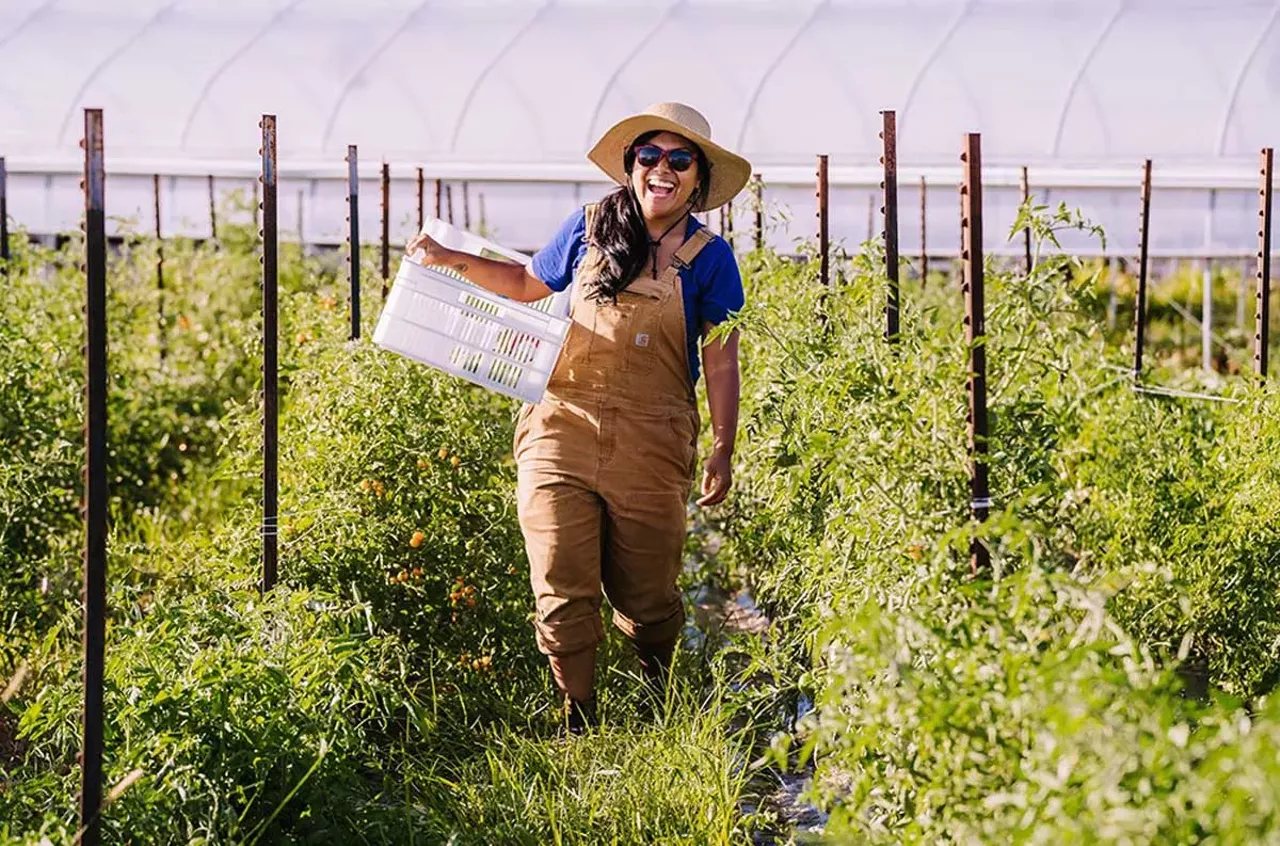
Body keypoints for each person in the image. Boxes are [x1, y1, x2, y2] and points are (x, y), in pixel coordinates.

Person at [405, 102, 750, 734]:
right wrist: (452, 258)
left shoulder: (711, 257)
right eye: (650, 156)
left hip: (654, 436)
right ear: (630, 166)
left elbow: (721, 362)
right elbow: (525, 282)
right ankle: (578, 717)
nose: (662, 170)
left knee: (648, 593)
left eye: (679, 160)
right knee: (561, 578)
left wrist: (723, 446)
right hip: (561, 422)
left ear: (698, 178)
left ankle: (656, 697)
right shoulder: (589, 228)